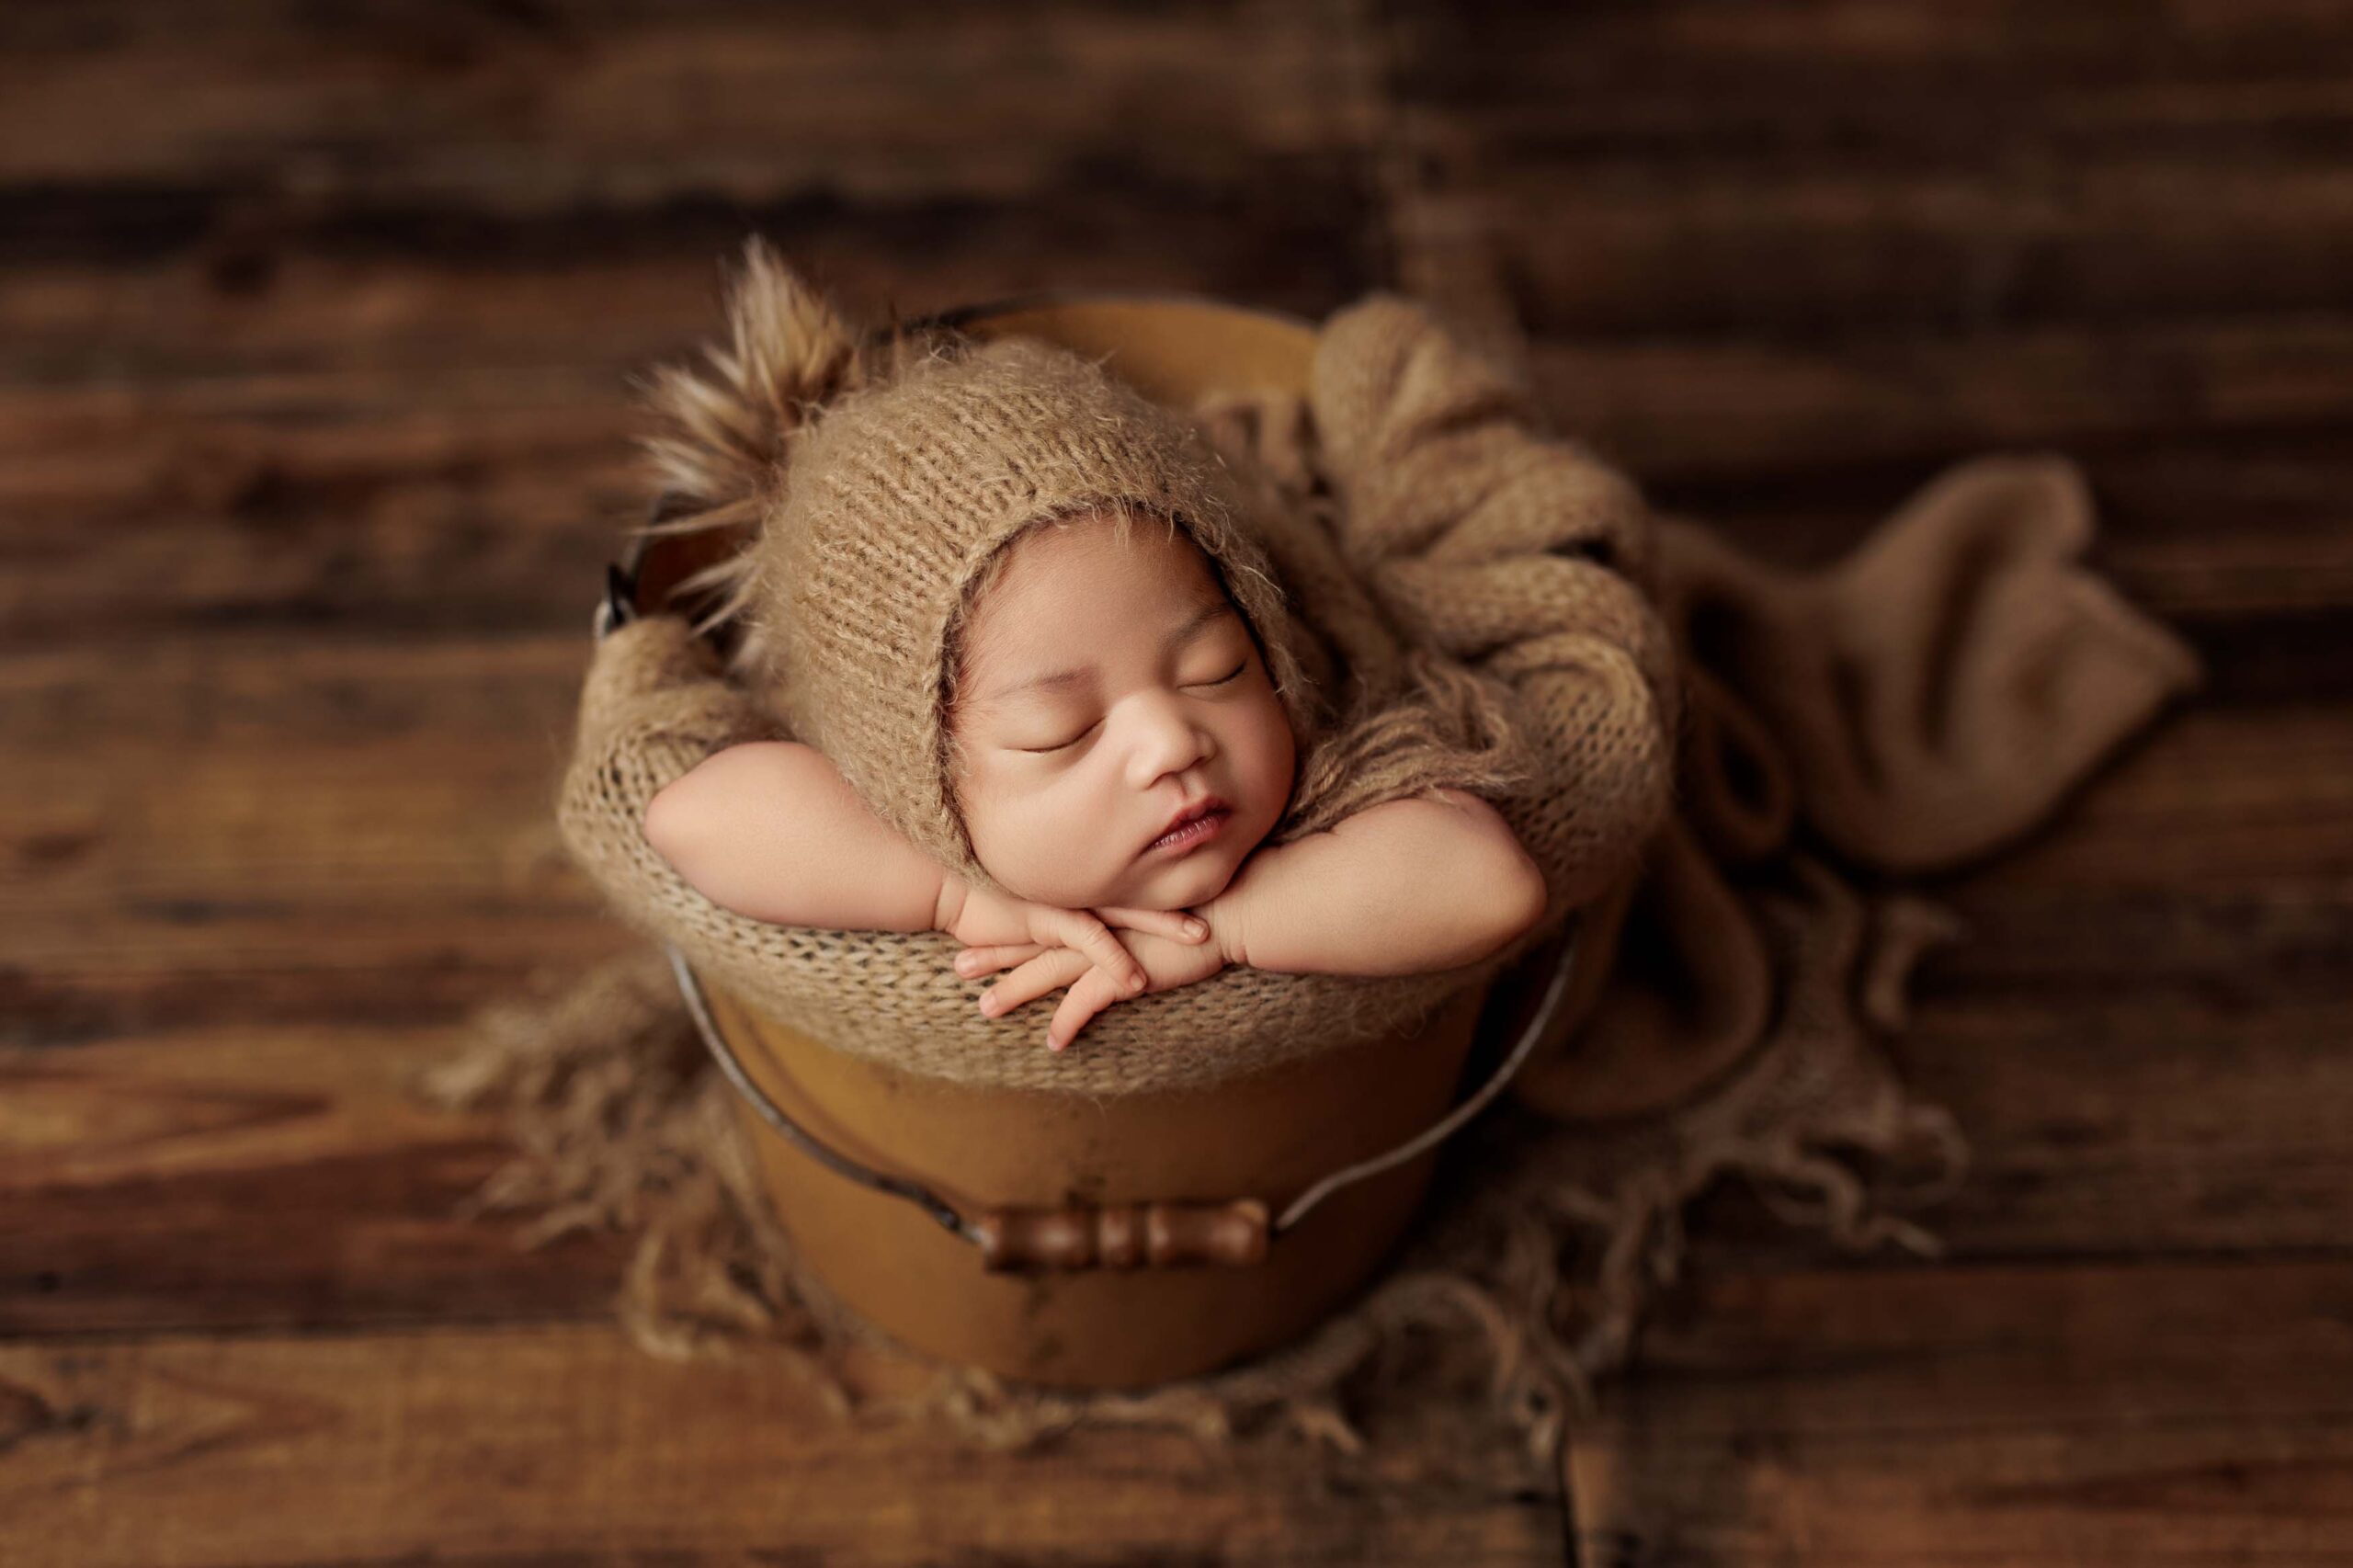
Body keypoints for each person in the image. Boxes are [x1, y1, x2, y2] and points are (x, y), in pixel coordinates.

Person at [633, 276, 1547, 1053]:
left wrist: (1227, 928)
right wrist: (953, 895)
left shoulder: (1323, 732)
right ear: (923, 789)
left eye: (1215, 669)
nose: (1170, 743)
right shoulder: (905, 814)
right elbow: (690, 815)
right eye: (1060, 732)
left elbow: (1487, 879)